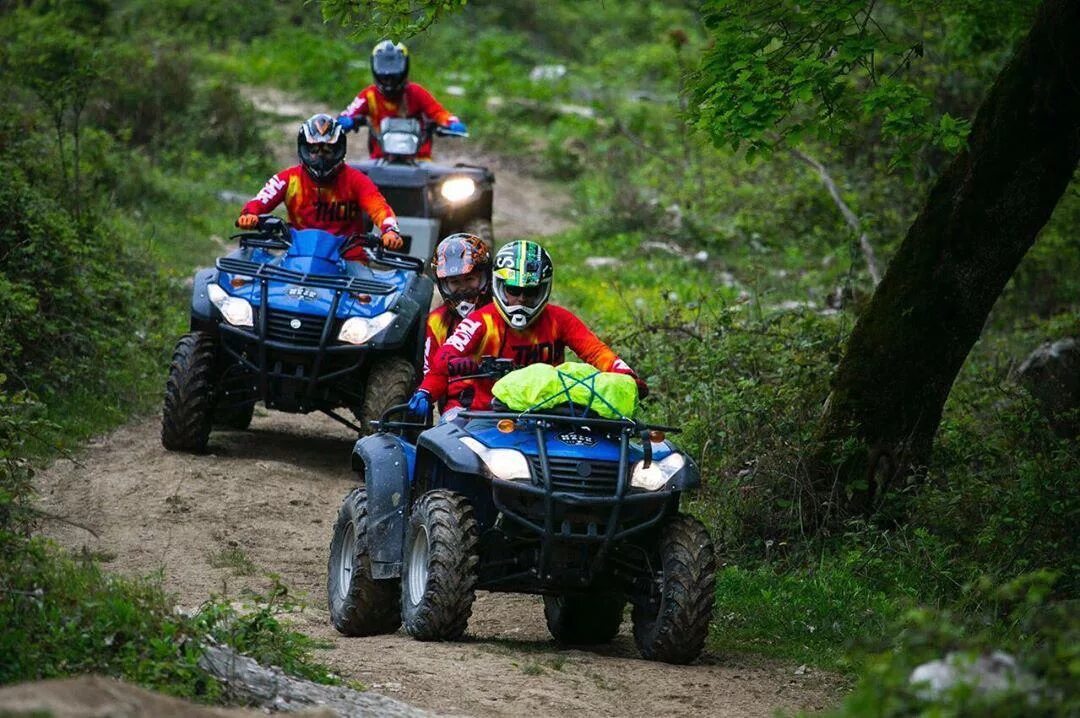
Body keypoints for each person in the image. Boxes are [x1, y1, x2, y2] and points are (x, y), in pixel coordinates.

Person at [408, 240, 647, 418]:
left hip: (549, 411)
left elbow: (597, 352)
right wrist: (427, 392)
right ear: (500, 286)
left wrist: (627, 375)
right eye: (513, 289)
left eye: (530, 291)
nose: (521, 299)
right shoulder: (481, 320)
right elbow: (442, 358)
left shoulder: (559, 319)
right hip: (483, 414)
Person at [237, 114, 403, 261]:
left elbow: (379, 207)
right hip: (297, 256)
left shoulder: (357, 180)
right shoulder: (288, 178)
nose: (321, 157)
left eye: (328, 150)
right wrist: (250, 214)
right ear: (303, 150)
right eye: (314, 150)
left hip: (349, 259)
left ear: (340, 149)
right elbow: (261, 199)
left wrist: (390, 230)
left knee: (366, 296)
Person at [336, 40, 467, 160]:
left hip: (419, 160)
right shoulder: (369, 95)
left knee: (445, 183)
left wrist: (451, 123)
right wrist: (345, 121)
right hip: (380, 160)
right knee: (352, 181)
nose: (388, 74)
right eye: (384, 66)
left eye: (394, 65)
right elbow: (347, 114)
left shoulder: (416, 92)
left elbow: (438, 112)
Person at [424, 233, 493, 381]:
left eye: (469, 279)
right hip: (454, 399)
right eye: (455, 282)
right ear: (443, 286)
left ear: (485, 277)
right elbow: (429, 372)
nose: (463, 288)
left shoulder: (499, 314)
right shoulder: (436, 321)